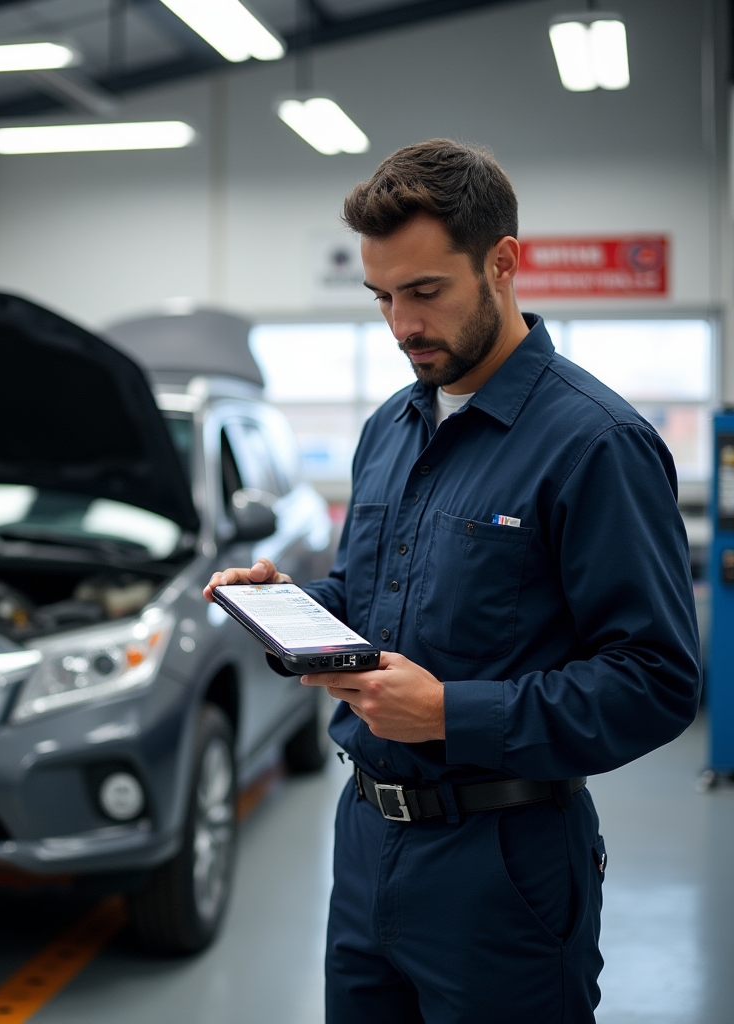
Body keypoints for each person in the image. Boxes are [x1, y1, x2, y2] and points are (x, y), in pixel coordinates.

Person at [204, 140, 700, 1024]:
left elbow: (657, 682)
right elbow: (368, 597)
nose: (400, 325)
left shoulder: (595, 445)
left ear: (503, 263)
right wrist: (294, 610)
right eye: (383, 297)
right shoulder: (388, 431)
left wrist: (450, 714)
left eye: (425, 292)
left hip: (504, 868)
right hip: (363, 846)